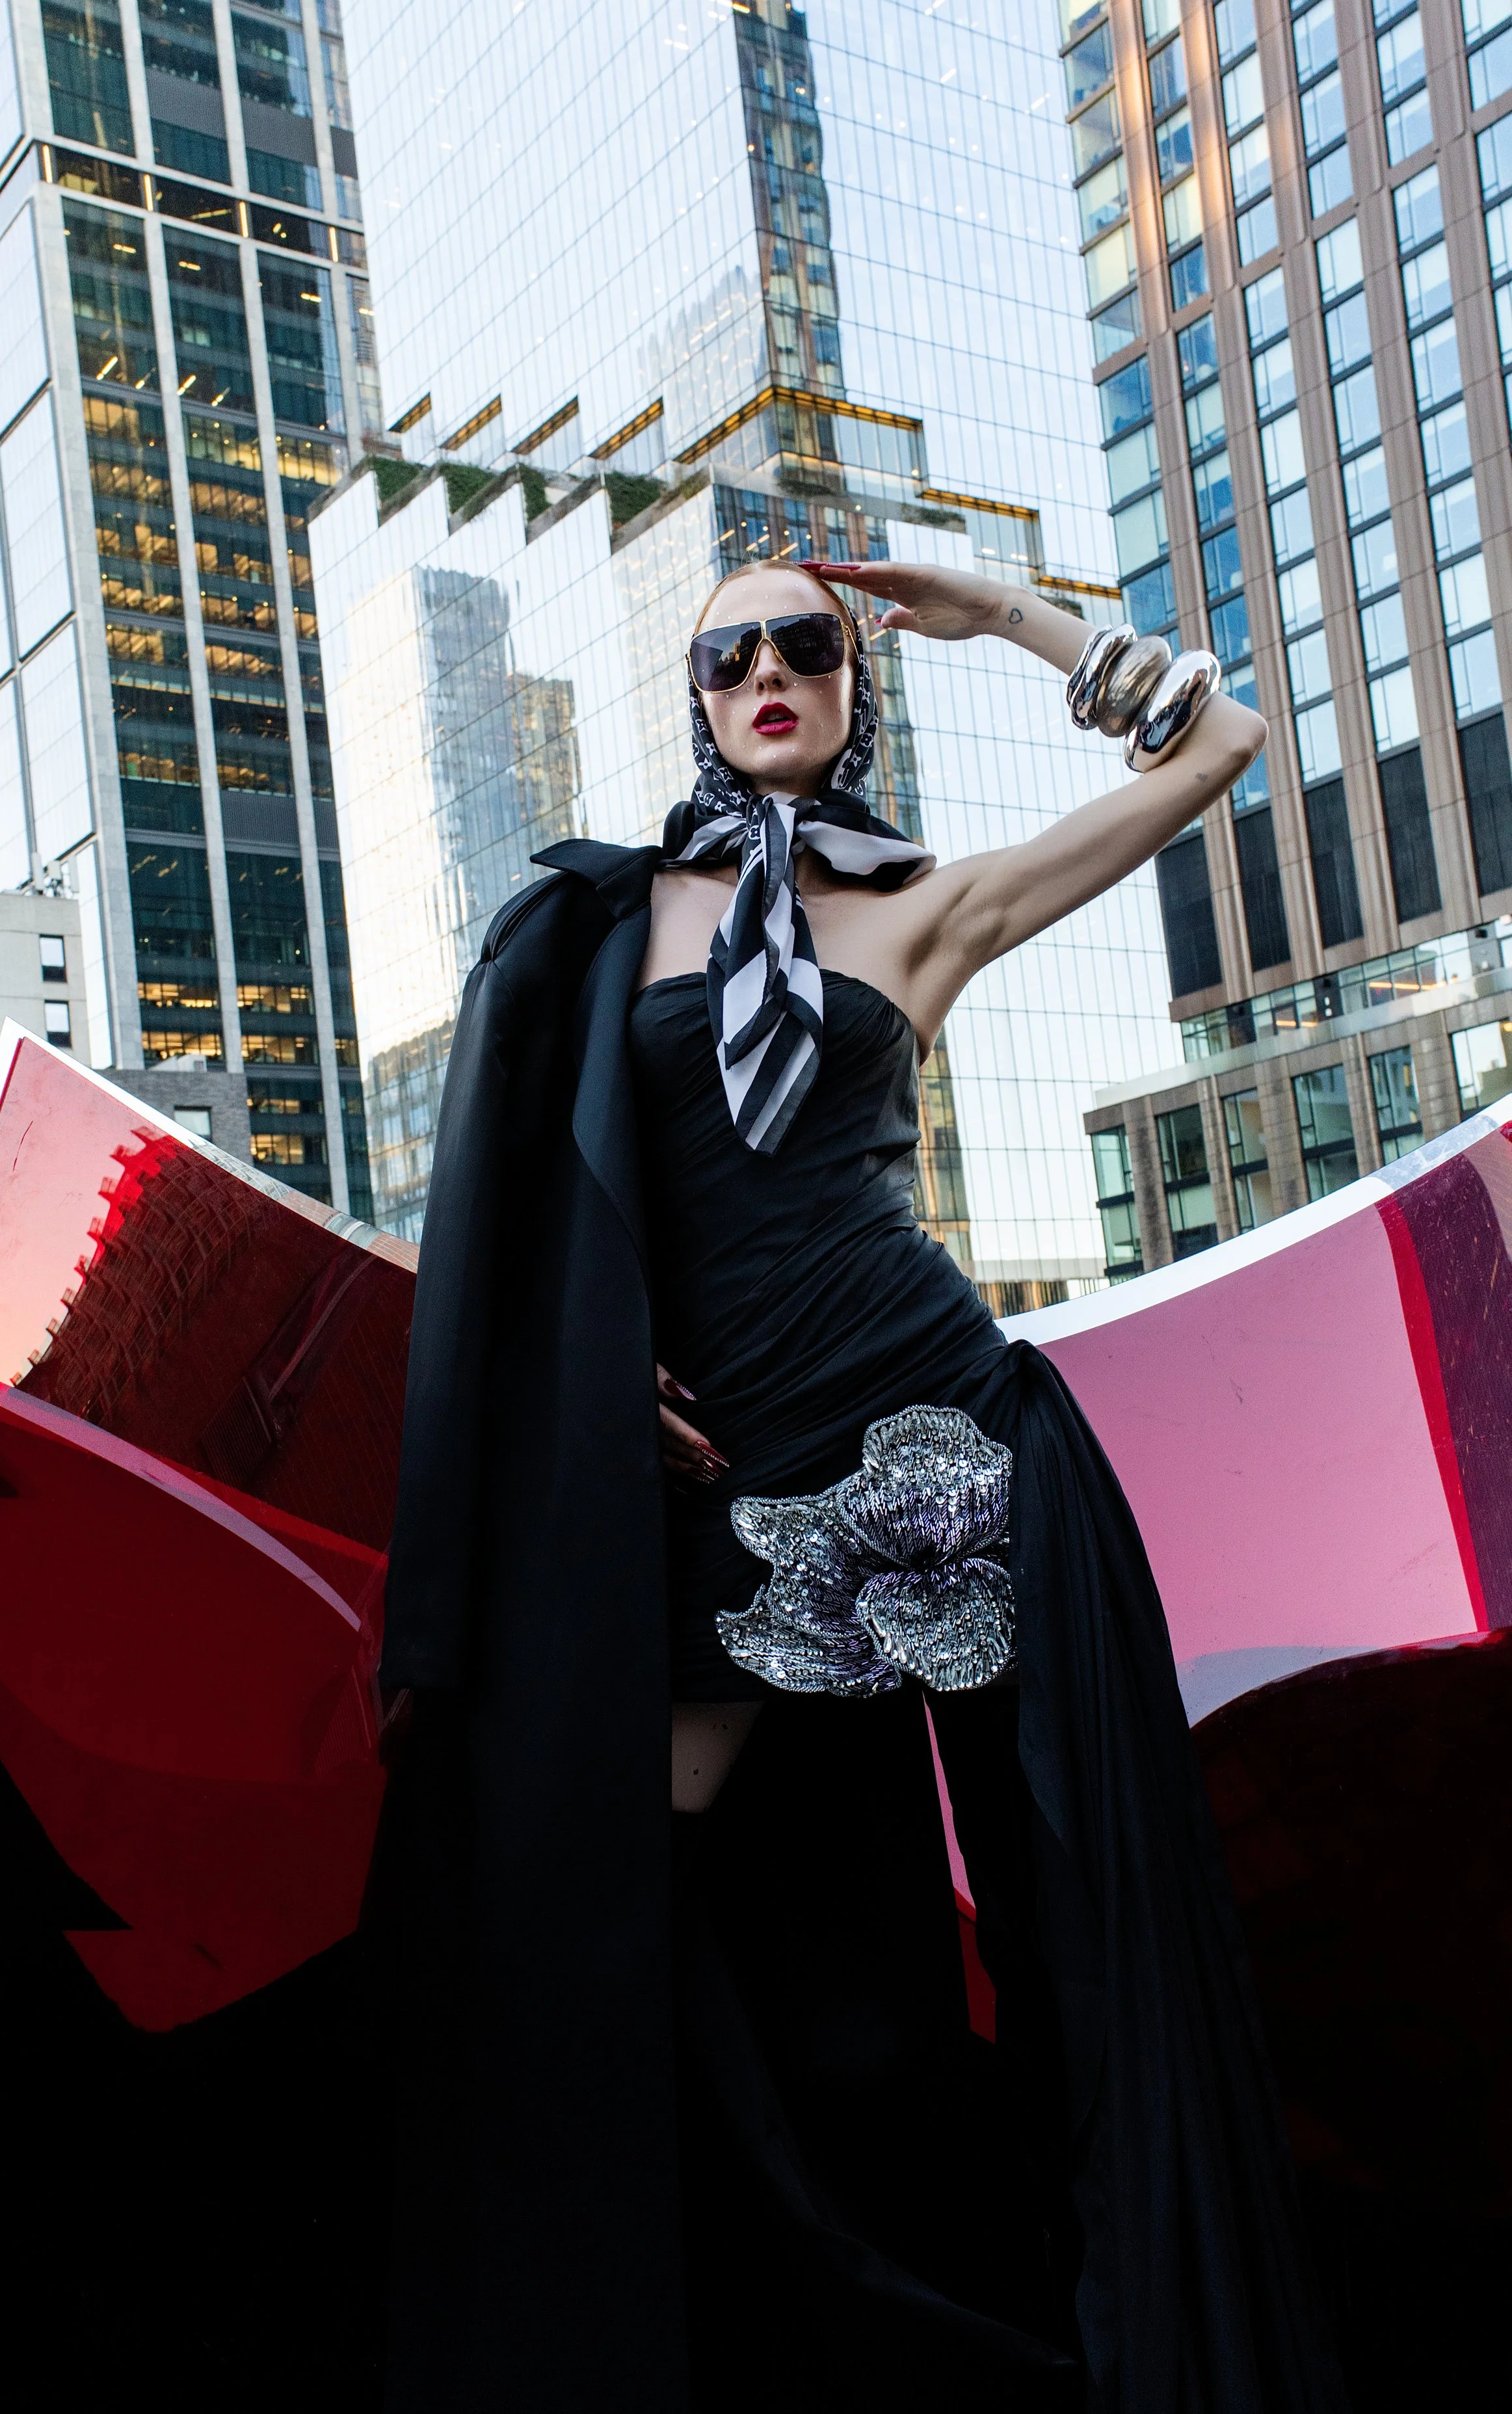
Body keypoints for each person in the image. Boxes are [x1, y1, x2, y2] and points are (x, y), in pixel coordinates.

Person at [382, 559, 1349, 2412]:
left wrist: (1003, 612)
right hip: (719, 1483)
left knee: (1073, 1909)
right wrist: (586, 1371)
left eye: (802, 645)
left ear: (848, 684)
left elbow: (1213, 742)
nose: (765, 670)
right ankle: (752, 2317)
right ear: (695, 691)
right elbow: (523, 1212)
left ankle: (1132, 2335)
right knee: (587, 1886)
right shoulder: (604, 917)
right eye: (726, 650)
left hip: (940, 1448)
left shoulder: (921, 906)